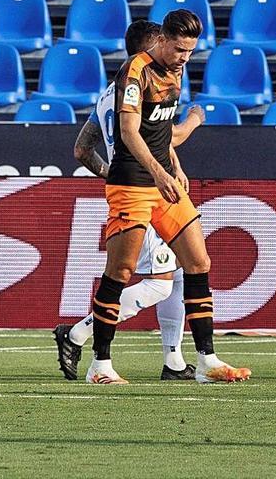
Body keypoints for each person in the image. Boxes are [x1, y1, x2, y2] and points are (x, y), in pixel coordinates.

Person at [83, 10, 250, 384]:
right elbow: (128, 131)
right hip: (133, 184)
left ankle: (207, 360)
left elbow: (159, 131)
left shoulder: (176, 70)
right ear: (162, 40)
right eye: (179, 49)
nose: (184, 58)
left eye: (190, 51)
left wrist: (173, 166)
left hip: (164, 185)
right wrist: (159, 173)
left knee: (198, 261)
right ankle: (100, 365)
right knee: (121, 272)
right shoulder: (135, 71)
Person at [53, 20, 207, 382]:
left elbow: (81, 149)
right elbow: (163, 136)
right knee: (159, 282)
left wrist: (110, 174)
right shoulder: (142, 83)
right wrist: (196, 119)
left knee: (182, 273)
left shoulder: (109, 94)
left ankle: (173, 361)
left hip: (134, 181)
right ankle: (78, 334)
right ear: (154, 44)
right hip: (143, 188)